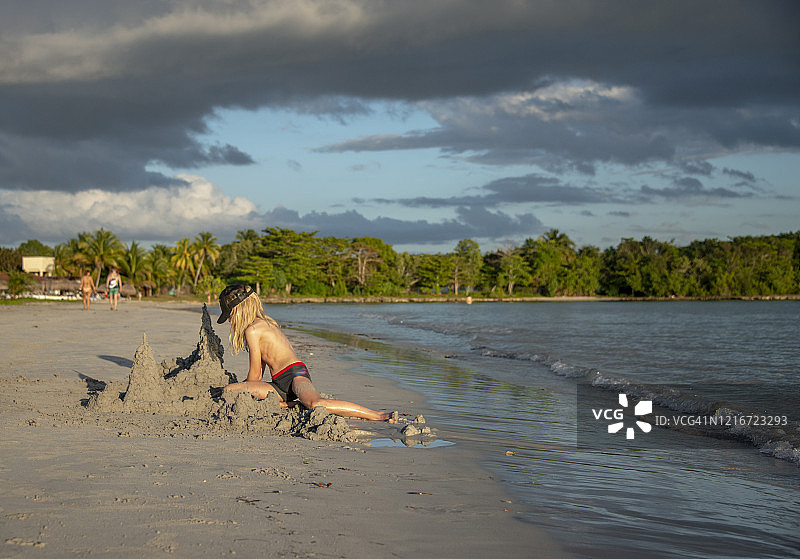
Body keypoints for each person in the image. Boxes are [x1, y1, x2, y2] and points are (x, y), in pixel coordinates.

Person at [217, 284, 396, 422]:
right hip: (279, 384)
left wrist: (249, 391)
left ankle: (378, 415)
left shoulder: (253, 330)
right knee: (230, 389)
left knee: (315, 404)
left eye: (230, 314)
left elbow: (255, 374)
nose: (231, 319)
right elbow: (261, 369)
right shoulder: (266, 323)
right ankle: (290, 404)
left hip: (295, 375)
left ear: (237, 310)